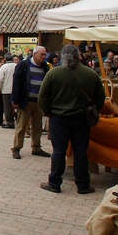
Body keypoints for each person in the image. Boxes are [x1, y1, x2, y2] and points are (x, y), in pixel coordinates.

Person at [38, 44, 105, 194]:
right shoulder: (90, 74)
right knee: (81, 151)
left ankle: (54, 183)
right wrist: (93, 111)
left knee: (58, 151)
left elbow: (42, 97)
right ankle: (83, 185)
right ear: (78, 56)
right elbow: (100, 98)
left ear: (62, 56)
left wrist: (48, 112)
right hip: (81, 119)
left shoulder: (54, 73)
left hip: (59, 118)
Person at [10, 46, 51, 160]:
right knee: (22, 126)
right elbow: (16, 83)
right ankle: (16, 148)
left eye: (45, 55)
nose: (44, 57)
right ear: (34, 54)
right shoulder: (23, 65)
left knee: (37, 126)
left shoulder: (45, 67)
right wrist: (15, 100)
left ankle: (36, 147)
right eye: (42, 55)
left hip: (38, 101)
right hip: (25, 101)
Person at [0, 53, 16, 128]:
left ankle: (9, 122)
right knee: (16, 107)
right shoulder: (16, 66)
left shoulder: (3, 67)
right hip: (15, 90)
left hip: (6, 90)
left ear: (5, 59)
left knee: (7, 107)